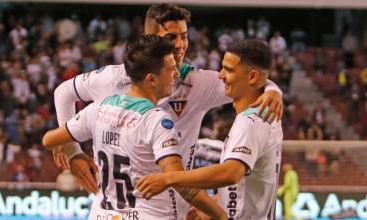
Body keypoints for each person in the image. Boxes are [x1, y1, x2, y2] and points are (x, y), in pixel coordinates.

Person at [53, 4, 283, 219]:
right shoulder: (114, 78)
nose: (180, 45)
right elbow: (63, 93)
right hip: (135, 209)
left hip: (157, 209)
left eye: (184, 36)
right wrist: (73, 153)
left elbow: (250, 80)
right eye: (171, 37)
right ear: (150, 40)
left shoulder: (197, 82)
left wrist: (273, 91)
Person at [43, 35, 227, 220]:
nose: (177, 75)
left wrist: (74, 154)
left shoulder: (99, 108)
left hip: (102, 215)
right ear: (151, 79)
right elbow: (179, 182)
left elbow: (49, 139)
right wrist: (220, 215)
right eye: (171, 70)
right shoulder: (157, 121)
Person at [137, 39, 284, 220]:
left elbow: (231, 173)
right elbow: (246, 187)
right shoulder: (264, 115)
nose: (221, 75)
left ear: (252, 77)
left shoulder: (250, 122)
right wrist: (215, 204)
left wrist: (168, 178)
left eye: (228, 70)